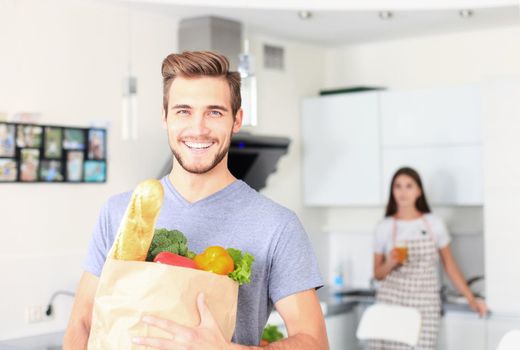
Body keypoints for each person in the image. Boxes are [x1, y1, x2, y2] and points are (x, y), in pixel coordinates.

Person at [63, 51, 328, 350]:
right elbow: (82, 323)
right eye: (183, 111)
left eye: (214, 112)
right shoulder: (120, 212)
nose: (198, 128)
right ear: (165, 118)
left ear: (236, 119)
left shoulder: (277, 225)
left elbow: (314, 342)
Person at [371, 167, 488, 350]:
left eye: (409, 186)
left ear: (419, 191)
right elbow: (377, 274)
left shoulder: (434, 224)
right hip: (391, 302)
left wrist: (471, 299)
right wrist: (390, 263)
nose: (402, 192)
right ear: (392, 191)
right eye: (398, 186)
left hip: (424, 304)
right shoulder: (384, 227)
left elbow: (450, 265)